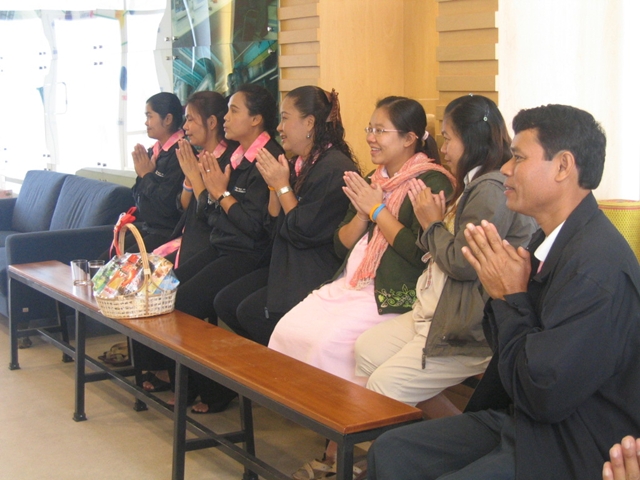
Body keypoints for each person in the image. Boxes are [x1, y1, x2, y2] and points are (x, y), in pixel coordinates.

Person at [368, 104, 640, 480]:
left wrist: (509, 297)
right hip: (523, 419)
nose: (507, 169)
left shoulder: (597, 269)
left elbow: (544, 391)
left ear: (563, 166)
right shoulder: (550, 240)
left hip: (568, 440)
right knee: (392, 450)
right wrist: (506, 294)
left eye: (519, 158)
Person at [269, 96, 455, 478]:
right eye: (370, 128)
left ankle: (345, 444)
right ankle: (333, 432)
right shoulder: (375, 177)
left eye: (380, 130)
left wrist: (377, 210)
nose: (370, 137)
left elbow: (419, 253)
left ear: (409, 138)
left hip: (393, 292)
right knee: (289, 329)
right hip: (352, 282)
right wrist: (361, 213)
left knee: (330, 343)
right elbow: (340, 245)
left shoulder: (432, 181)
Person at [355, 95, 536, 411]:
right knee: (366, 350)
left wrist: (431, 224)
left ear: (470, 141)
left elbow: (462, 263)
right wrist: (433, 224)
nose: (444, 148)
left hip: (467, 328)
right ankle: (448, 433)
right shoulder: (473, 183)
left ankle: (423, 440)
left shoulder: (490, 189)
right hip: (437, 310)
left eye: (449, 139)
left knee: (384, 385)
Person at [169, 83, 284, 414]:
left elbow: (256, 228)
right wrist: (205, 188)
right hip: (223, 244)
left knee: (188, 302)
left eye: (234, 110)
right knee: (169, 289)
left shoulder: (267, 158)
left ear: (256, 119)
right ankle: (190, 383)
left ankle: (217, 388)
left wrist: (221, 194)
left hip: (250, 254)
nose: (226, 118)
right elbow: (209, 214)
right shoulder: (236, 156)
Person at [213, 86, 359, 346]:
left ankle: (283, 364)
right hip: (287, 261)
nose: (279, 128)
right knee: (226, 301)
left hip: (313, 269)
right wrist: (275, 187)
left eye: (285, 118)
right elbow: (273, 225)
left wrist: (282, 186)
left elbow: (303, 231)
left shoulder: (334, 168)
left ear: (309, 123)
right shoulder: (299, 163)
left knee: (250, 312)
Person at [134, 90, 237, 393]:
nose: (186, 126)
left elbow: (212, 213)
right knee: (142, 280)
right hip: (190, 235)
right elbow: (183, 205)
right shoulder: (197, 156)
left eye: (191, 119)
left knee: (174, 294)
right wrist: (190, 177)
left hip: (214, 243)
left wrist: (195, 178)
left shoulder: (228, 160)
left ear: (212, 123)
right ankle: (158, 368)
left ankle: (196, 385)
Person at [129, 92, 186, 252]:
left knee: (122, 263)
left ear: (167, 119)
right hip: (148, 227)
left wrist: (147, 176)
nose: (146, 122)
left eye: (149, 116)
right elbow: (137, 198)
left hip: (167, 233)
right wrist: (143, 175)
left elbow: (166, 208)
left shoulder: (180, 154)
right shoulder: (154, 153)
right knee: (109, 256)